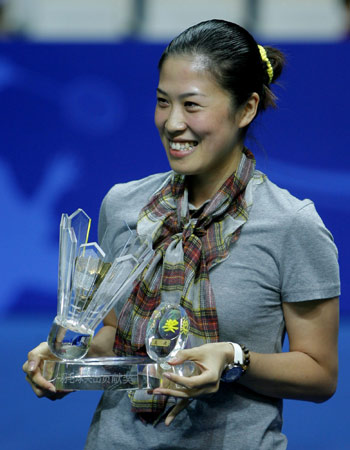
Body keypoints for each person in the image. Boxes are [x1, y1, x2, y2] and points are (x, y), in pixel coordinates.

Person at [23, 19, 340, 450]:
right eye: (162, 102)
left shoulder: (292, 224)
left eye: (192, 106)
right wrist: (66, 363)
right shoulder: (122, 206)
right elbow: (113, 338)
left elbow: (320, 374)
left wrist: (234, 359)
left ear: (245, 109)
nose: (172, 123)